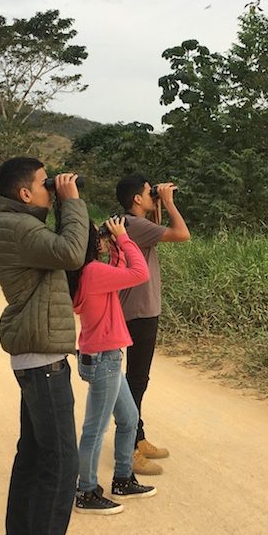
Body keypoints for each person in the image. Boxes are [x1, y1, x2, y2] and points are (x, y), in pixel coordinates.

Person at [0, 157, 88, 535]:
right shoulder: (20, 227)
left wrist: (66, 206)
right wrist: (73, 202)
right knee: (62, 464)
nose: (52, 188)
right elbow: (70, 253)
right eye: (44, 183)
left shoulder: (20, 224)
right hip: (43, 363)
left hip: (38, 358)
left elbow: (71, 254)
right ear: (24, 193)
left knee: (33, 459)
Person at [69, 217, 156, 514]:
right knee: (95, 429)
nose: (103, 239)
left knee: (129, 419)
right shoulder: (92, 272)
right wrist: (124, 238)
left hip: (108, 356)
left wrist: (117, 245)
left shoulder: (91, 271)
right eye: (99, 237)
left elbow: (121, 272)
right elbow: (139, 273)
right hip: (104, 358)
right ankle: (86, 490)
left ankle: (122, 478)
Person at [116, 174, 190, 475]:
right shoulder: (137, 226)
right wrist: (170, 203)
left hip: (135, 309)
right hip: (141, 311)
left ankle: (139, 436)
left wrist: (157, 203)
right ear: (137, 198)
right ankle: (130, 448)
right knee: (136, 381)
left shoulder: (127, 223)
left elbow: (159, 232)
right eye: (150, 193)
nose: (153, 196)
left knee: (137, 379)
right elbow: (181, 234)